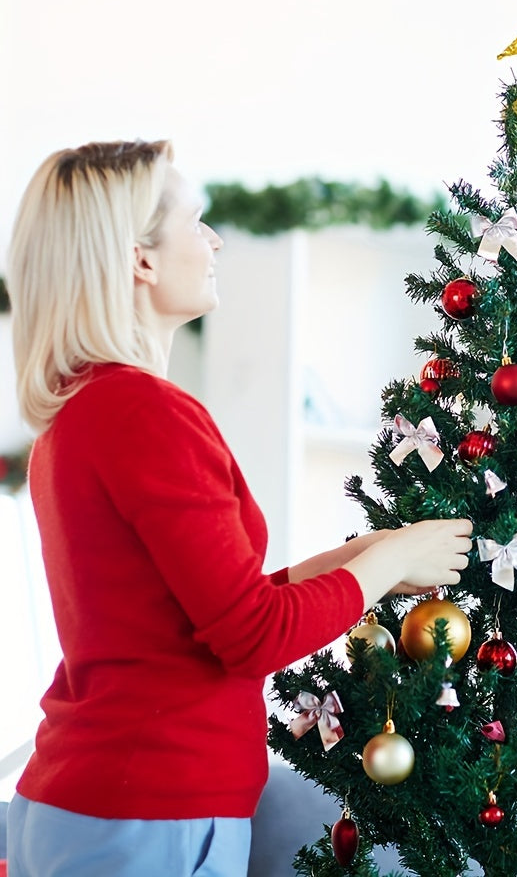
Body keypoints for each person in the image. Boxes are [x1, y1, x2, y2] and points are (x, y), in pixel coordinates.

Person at [3, 140, 473, 877]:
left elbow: (201, 615)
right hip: (147, 815)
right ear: (141, 259)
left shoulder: (86, 412)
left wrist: (359, 558)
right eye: (197, 221)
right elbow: (250, 636)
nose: (216, 239)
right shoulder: (143, 414)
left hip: (98, 804)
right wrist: (385, 567)